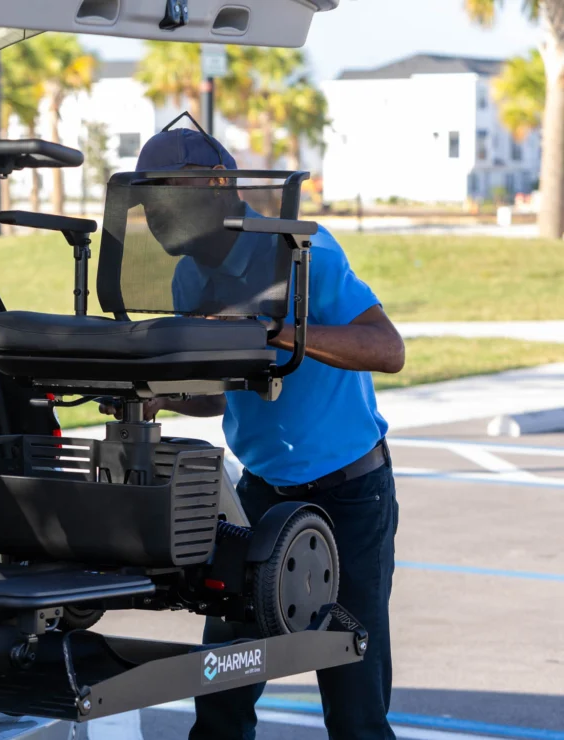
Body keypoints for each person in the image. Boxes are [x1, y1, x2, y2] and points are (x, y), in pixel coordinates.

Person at [115, 124, 405, 740]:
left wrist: (274, 329)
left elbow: (387, 349)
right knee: (222, 680)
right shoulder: (189, 278)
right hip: (260, 497)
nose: (158, 216)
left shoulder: (306, 252)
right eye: (148, 203)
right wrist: (156, 396)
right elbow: (221, 392)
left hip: (349, 497)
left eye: (168, 196)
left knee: (353, 699)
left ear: (220, 185)